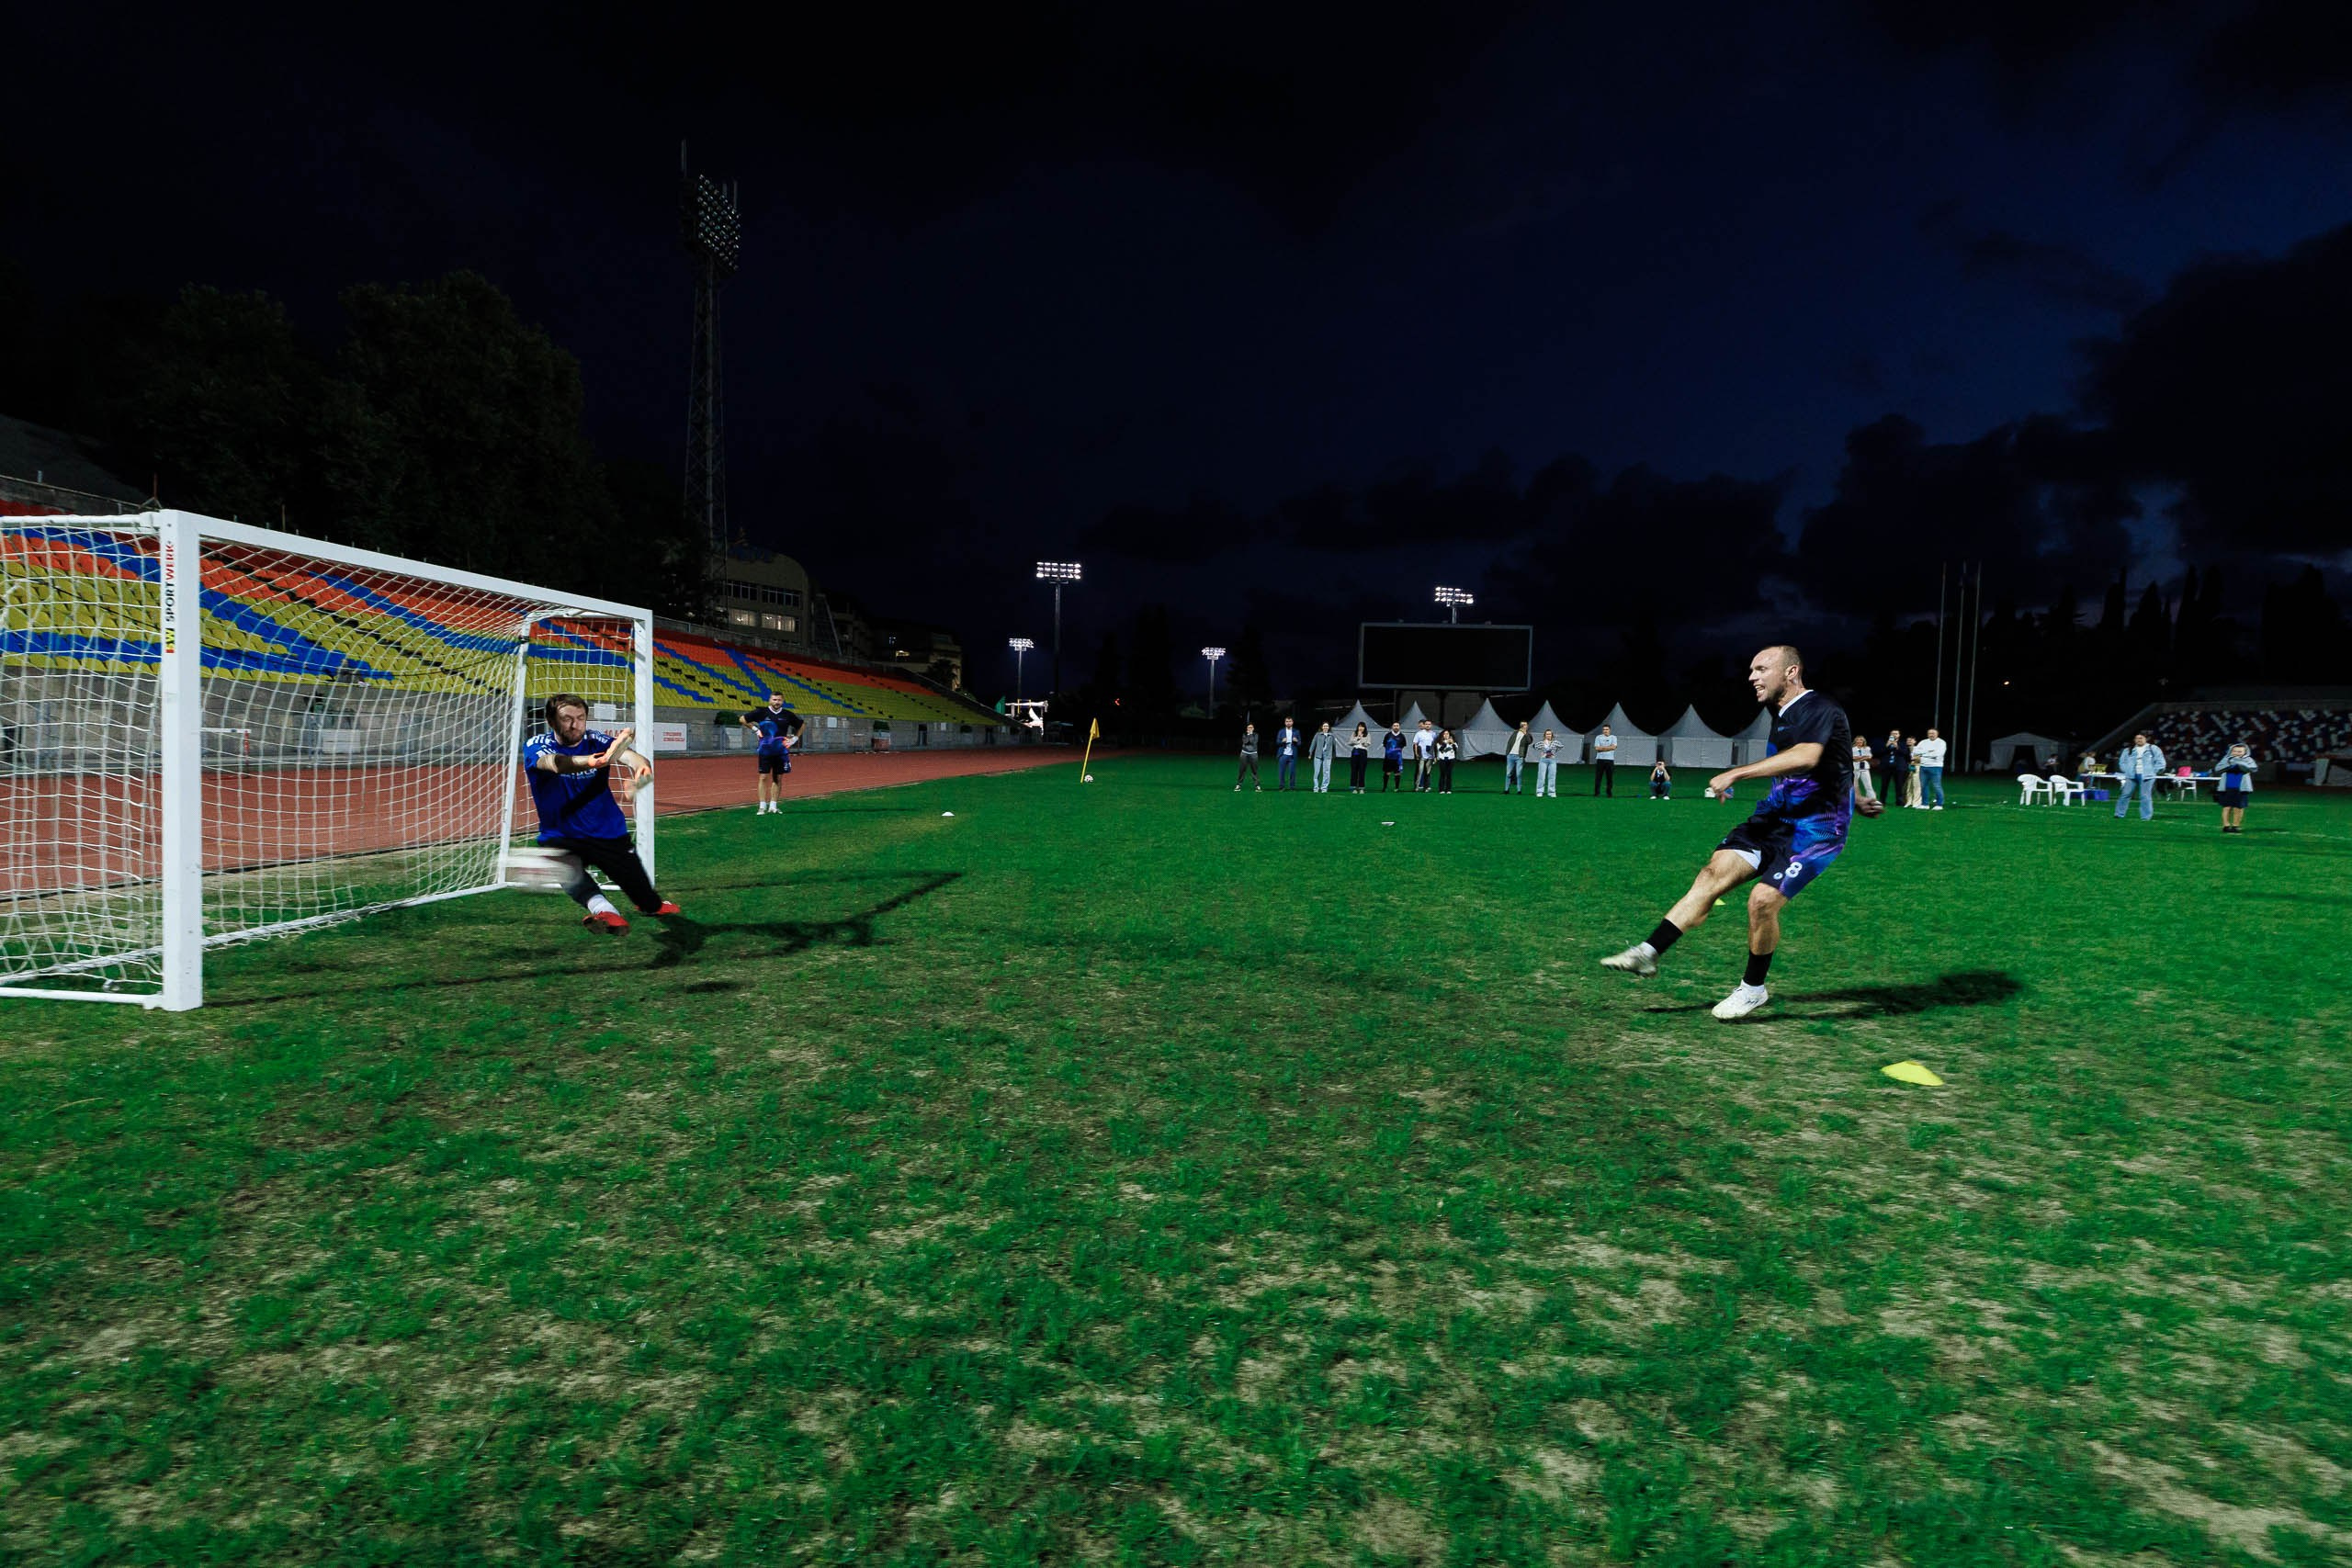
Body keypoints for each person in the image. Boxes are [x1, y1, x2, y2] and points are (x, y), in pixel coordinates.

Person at [1602, 645, 1870, 1021]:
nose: (1752, 677)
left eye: (1761, 669)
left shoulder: (1820, 707)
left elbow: (1809, 757)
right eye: (1751, 670)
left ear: (1791, 672)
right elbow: (1833, 764)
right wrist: (1856, 798)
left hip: (1816, 830)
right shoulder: (1782, 716)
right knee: (1712, 874)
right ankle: (1649, 952)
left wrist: (1736, 773)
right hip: (1773, 819)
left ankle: (1752, 991)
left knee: (1762, 902)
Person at [525, 694, 680, 933]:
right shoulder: (536, 744)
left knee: (646, 899)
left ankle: (652, 905)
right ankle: (604, 911)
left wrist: (641, 768)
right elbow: (555, 763)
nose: (575, 725)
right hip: (562, 833)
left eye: (581, 718)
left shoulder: (595, 739)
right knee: (565, 867)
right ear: (551, 720)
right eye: (567, 719)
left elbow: (630, 755)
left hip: (607, 832)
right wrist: (593, 762)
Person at [739, 693, 803, 815]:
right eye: (774, 699)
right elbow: (742, 719)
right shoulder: (761, 712)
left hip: (781, 751)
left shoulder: (787, 714)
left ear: (782, 701)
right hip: (765, 750)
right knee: (763, 777)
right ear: (769, 700)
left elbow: (802, 725)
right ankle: (762, 806)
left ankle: (773, 806)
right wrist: (755, 729)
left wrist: (795, 738)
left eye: (779, 700)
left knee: (777, 778)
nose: (776, 702)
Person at [2114, 731, 2165, 821]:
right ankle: (2119, 814)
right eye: (2137, 738)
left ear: (2146, 739)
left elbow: (2161, 762)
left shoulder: (2153, 748)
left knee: (2145, 796)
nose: (2139, 740)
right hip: (2131, 775)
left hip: (2147, 776)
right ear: (2134, 740)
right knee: (2125, 794)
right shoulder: (2128, 750)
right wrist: (2127, 770)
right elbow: (2122, 762)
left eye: (2141, 738)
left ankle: (2145, 817)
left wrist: (2154, 772)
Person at [2214, 742, 2256, 833]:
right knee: (2227, 807)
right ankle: (2226, 825)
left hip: (2242, 788)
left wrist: (2239, 763)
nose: (2237, 753)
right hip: (2226, 787)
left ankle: (2236, 826)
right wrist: (2229, 764)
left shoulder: (2248, 760)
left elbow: (2253, 768)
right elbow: (2217, 769)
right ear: (2231, 751)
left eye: (2240, 752)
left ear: (2245, 752)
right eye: (2235, 751)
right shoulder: (2226, 759)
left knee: (2239, 807)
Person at [1915, 728, 1948, 810]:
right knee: (1923, 786)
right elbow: (1916, 752)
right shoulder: (1923, 742)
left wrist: (1923, 753)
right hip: (1923, 766)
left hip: (1936, 767)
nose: (1931, 735)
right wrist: (1929, 752)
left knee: (1937, 786)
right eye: (1929, 733)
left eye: (1933, 733)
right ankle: (1925, 804)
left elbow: (1938, 754)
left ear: (1937, 734)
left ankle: (1939, 804)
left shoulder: (1941, 742)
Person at [1274, 716, 1303, 791]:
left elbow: (1300, 743)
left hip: (1292, 755)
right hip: (1283, 755)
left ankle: (1292, 787)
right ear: (1285, 723)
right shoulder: (1281, 731)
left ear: (1292, 722)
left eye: (1290, 721)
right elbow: (1277, 742)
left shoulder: (1296, 731)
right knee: (1281, 772)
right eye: (1287, 721)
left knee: (1292, 772)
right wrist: (1282, 741)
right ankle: (1282, 787)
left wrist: (1296, 741)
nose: (1288, 723)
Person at [1503, 721, 1532, 795]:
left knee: (1518, 774)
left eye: (1525, 725)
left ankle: (1519, 790)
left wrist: (1525, 733)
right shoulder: (1515, 733)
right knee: (1508, 773)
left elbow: (1529, 741)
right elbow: (1509, 742)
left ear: (1527, 726)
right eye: (1522, 725)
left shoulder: (1528, 735)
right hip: (1511, 755)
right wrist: (1508, 753)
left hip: (1519, 756)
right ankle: (1506, 790)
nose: (1523, 726)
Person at [1533, 728, 1561, 797]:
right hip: (1543, 760)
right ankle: (1540, 791)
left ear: (1552, 735)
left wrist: (1554, 752)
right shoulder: (1542, 743)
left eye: (1550, 734)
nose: (1548, 735)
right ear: (1545, 735)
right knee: (1541, 776)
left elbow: (1561, 746)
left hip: (1552, 760)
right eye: (1547, 734)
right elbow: (1535, 746)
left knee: (1552, 776)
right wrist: (1543, 753)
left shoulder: (1555, 742)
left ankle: (1551, 792)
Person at [1591, 725, 1618, 795]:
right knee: (1598, 777)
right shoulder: (1598, 737)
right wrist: (1609, 747)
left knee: (1609, 777)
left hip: (1610, 760)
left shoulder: (1613, 737)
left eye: (1607, 729)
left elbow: (1614, 747)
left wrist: (1602, 748)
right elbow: (1597, 748)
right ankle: (1597, 792)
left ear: (1610, 730)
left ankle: (1609, 792)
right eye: (1604, 729)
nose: (1605, 731)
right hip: (1600, 759)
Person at [1309, 721, 1335, 794]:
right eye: (1324, 726)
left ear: (1329, 727)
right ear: (1322, 727)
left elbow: (1334, 746)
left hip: (1327, 756)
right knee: (1317, 772)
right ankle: (1316, 787)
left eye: (1327, 726)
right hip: (1318, 755)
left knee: (1326, 772)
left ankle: (1324, 788)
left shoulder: (1331, 736)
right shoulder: (1318, 734)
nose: (1325, 727)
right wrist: (1310, 752)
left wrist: (1334, 755)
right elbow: (1313, 743)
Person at [1850, 734, 1877, 805]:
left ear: (1863, 741)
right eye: (1858, 740)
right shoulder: (1852, 749)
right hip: (1855, 769)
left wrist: (1858, 758)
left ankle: (1872, 800)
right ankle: (1853, 801)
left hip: (1865, 768)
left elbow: (1869, 757)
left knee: (1868, 785)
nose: (1859, 741)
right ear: (1855, 741)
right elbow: (1852, 758)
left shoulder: (1867, 748)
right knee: (1854, 786)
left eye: (1861, 740)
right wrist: (1863, 757)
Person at [1382, 722, 1408, 793]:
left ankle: (1396, 788)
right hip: (1388, 757)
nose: (1396, 727)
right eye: (1394, 726)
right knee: (1387, 772)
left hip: (1397, 758)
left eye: (1397, 726)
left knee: (1397, 773)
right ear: (1392, 727)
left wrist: (1397, 752)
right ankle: (1384, 787)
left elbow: (1403, 745)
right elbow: (1384, 744)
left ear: (1399, 727)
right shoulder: (1388, 735)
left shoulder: (1402, 736)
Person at [1413, 719, 1438, 793]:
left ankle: (1426, 787)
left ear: (1431, 725)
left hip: (1430, 756)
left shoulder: (1433, 734)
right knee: (1420, 771)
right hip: (1422, 756)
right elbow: (1415, 744)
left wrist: (1435, 756)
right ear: (1424, 725)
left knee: (1427, 772)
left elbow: (1435, 745)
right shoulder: (1419, 733)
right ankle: (1417, 786)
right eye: (1426, 724)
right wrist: (1416, 753)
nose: (1428, 725)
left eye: (1429, 724)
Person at [1236, 723, 1261, 791]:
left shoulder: (1256, 735)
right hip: (1244, 753)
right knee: (1242, 770)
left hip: (1253, 754)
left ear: (1253, 729)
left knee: (1254, 770)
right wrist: (1249, 735)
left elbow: (1253, 742)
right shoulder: (1244, 734)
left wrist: (1250, 735)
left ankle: (1257, 786)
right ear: (1247, 729)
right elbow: (1246, 741)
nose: (1250, 729)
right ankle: (1238, 785)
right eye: (1249, 728)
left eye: (1251, 728)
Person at [1348, 723, 1372, 794]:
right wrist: (1357, 738)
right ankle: (1353, 787)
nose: (1361, 728)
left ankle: (1361, 788)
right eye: (1360, 727)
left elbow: (1368, 743)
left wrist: (1361, 739)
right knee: (1354, 770)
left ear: (1364, 728)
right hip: (1355, 751)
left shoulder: (1367, 734)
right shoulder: (1354, 734)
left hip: (1363, 752)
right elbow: (1350, 743)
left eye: (1362, 727)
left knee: (1362, 770)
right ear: (1358, 727)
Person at [1435, 729, 1457, 794]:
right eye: (1444, 734)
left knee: (1449, 774)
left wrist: (1452, 743)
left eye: (1447, 734)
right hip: (1443, 759)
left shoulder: (1453, 742)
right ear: (1442, 735)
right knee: (1443, 774)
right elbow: (1440, 749)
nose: (1446, 735)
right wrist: (1446, 743)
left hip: (1451, 759)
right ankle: (1441, 789)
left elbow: (1456, 750)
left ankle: (1448, 789)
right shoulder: (1439, 742)